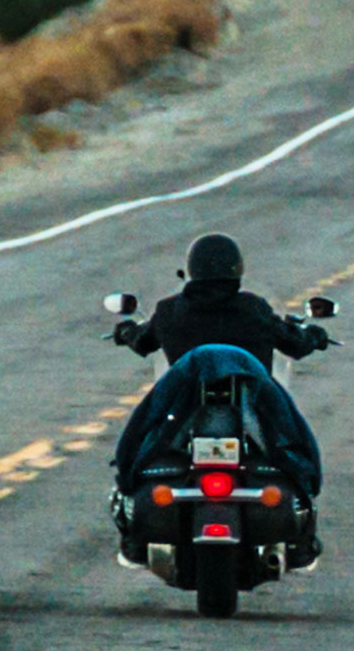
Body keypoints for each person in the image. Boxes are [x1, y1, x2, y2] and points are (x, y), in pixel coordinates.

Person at [112, 234, 330, 559]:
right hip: (253, 405)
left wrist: (127, 331)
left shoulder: (170, 310)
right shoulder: (253, 308)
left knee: (137, 448)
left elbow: (142, 342)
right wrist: (314, 335)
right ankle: (303, 537)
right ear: (236, 269)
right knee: (295, 448)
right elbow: (294, 344)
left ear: (191, 269)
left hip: (181, 408)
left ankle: (131, 530)